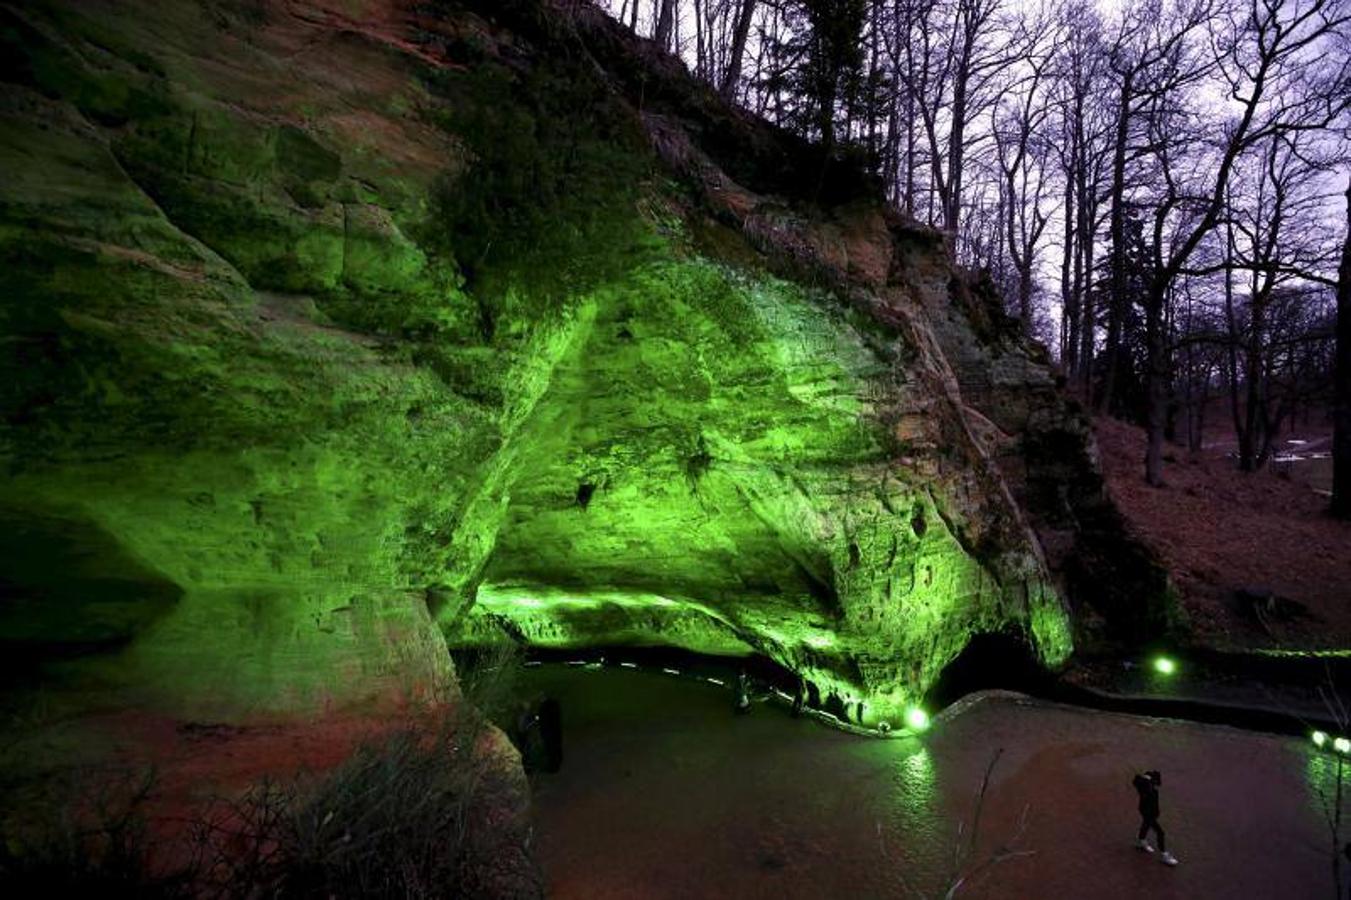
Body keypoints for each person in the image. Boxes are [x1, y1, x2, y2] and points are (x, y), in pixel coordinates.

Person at [1132, 770, 1178, 866]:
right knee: (1160, 833)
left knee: (1145, 825)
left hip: (1145, 811)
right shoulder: (1148, 789)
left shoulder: (1144, 786)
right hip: (1149, 813)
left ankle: (1141, 841)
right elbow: (1152, 801)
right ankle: (1164, 855)